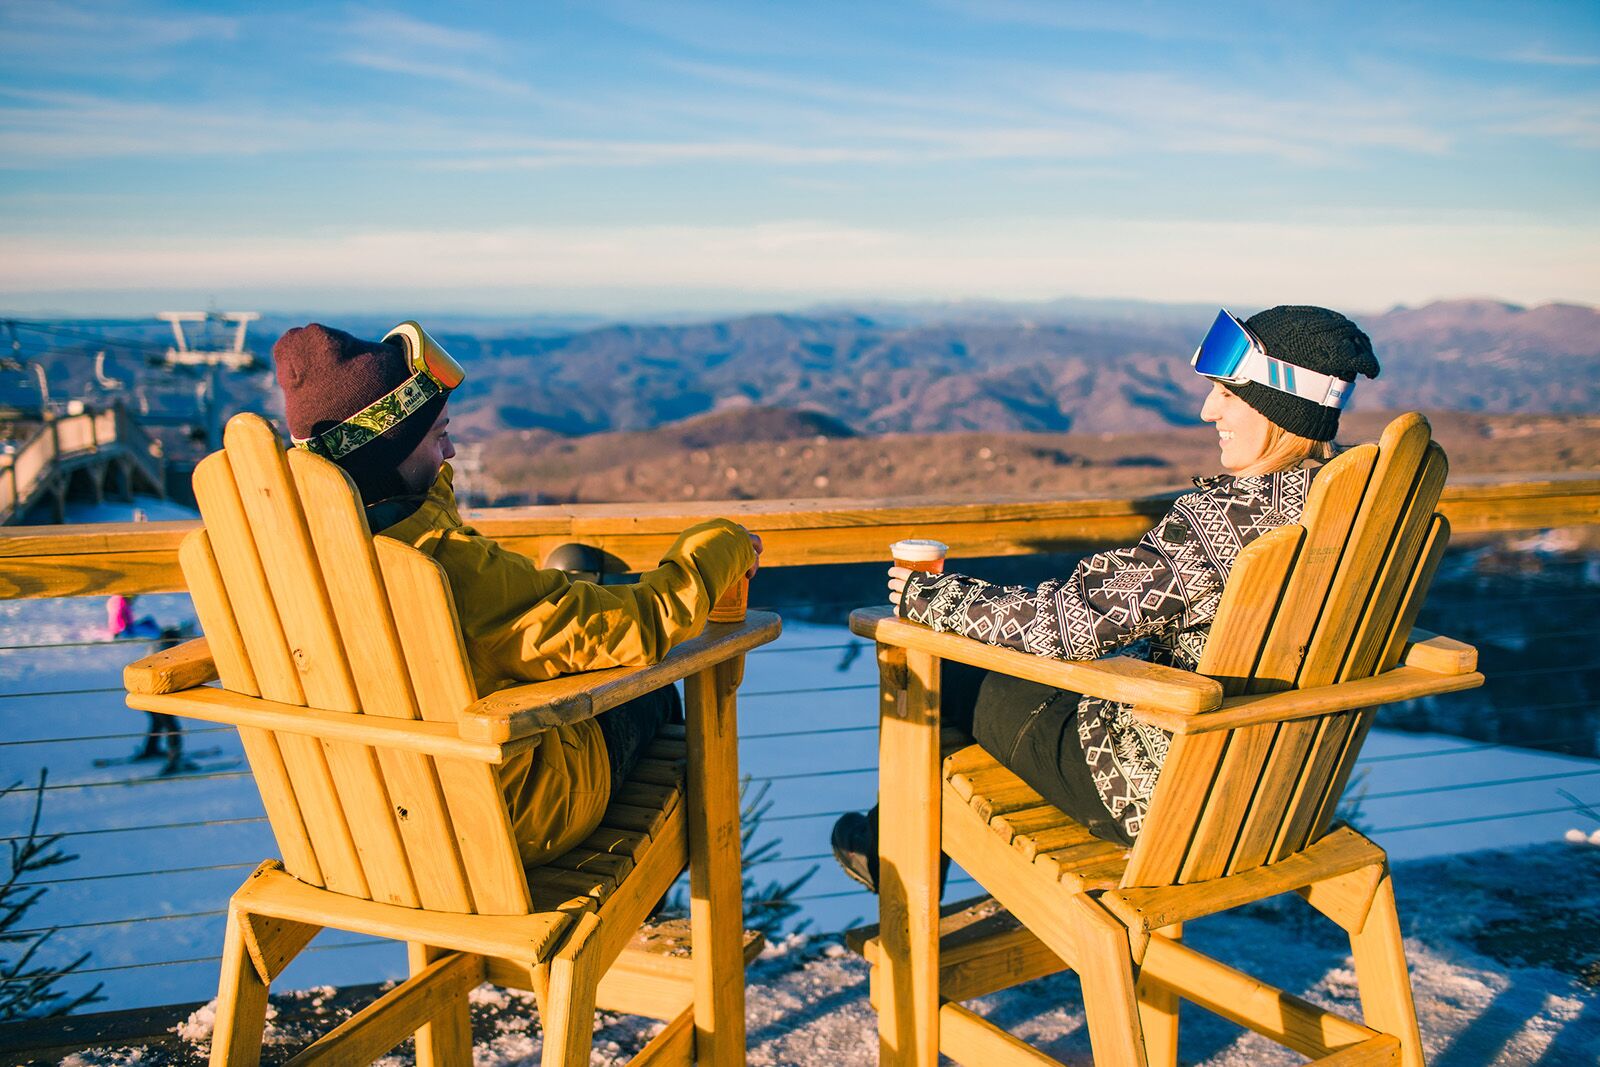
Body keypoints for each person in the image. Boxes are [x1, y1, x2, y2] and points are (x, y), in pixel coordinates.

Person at [831, 305, 1381, 890]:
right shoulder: (1356, 512)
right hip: (1281, 793)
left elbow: (1068, 625)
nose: (1207, 409)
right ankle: (897, 844)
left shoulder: (1227, 522)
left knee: (943, 668)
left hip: (1159, 792)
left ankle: (897, 867)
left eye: (1228, 392)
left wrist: (932, 599)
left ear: (1278, 406)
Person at [274, 322, 761, 866]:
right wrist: (723, 543)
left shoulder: (292, 560)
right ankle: (658, 897)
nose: (452, 450)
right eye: (437, 437)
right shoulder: (439, 562)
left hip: (358, 826)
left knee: (573, 588)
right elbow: (639, 627)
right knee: (653, 691)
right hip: (505, 825)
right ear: (390, 453)